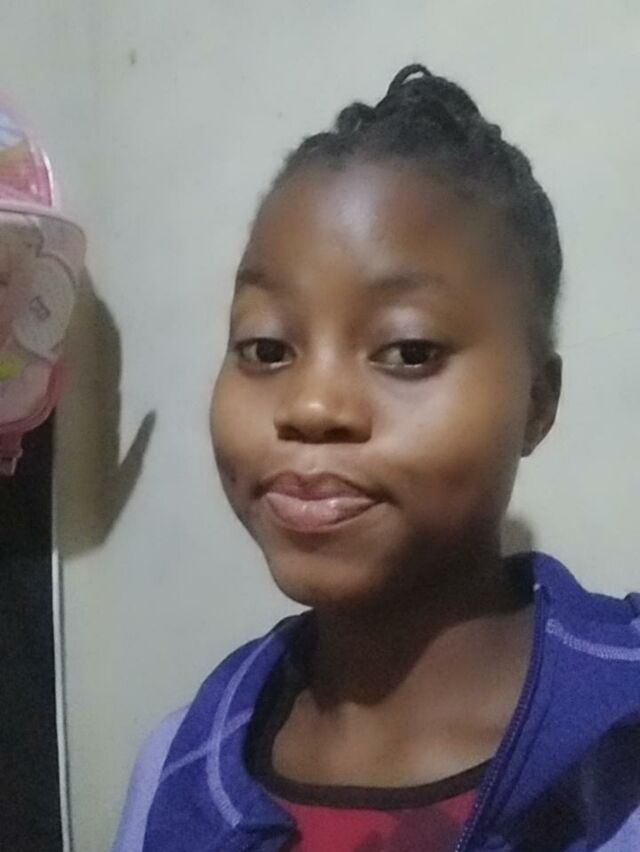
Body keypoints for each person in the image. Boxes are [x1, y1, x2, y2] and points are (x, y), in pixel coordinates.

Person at [113, 65, 640, 851]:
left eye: (408, 350)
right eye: (266, 347)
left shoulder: (621, 743)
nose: (311, 406)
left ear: (538, 400)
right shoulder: (176, 774)